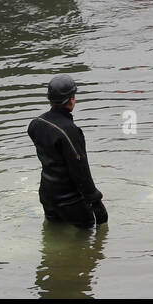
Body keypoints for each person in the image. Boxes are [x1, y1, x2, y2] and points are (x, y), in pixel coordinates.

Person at [28, 74, 107, 228]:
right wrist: (95, 201)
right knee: (87, 236)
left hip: (47, 193)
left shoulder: (36, 123)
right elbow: (80, 170)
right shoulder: (69, 131)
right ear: (71, 99)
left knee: (54, 232)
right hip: (69, 200)